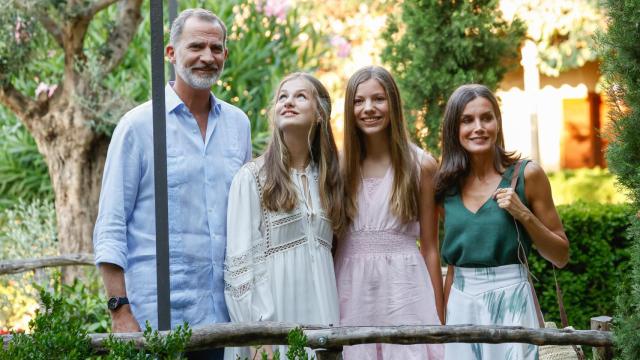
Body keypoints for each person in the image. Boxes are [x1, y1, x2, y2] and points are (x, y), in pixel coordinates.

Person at [93, 8, 251, 359]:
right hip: (156, 319)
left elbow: (248, 218)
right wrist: (120, 310)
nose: (207, 57)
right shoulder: (138, 126)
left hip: (225, 318)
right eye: (196, 47)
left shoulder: (239, 126)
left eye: (216, 48)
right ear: (171, 53)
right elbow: (111, 224)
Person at [436, 84, 570, 359]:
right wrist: (443, 322)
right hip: (461, 301)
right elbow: (453, 267)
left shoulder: (527, 175)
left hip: (513, 297)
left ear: (498, 122)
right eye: (467, 120)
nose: (479, 127)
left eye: (487, 117)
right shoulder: (445, 186)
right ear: (454, 128)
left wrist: (523, 214)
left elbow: (561, 255)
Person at [223, 72, 344, 359]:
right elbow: (240, 268)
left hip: (323, 316)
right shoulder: (251, 177)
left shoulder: (329, 180)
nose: (288, 102)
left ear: (320, 114)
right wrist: (258, 339)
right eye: (282, 97)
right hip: (273, 324)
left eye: (301, 96)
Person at [334, 65, 444, 359]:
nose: (368, 108)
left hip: (405, 289)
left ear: (393, 103)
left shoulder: (420, 165)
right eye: (359, 101)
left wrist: (438, 319)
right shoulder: (338, 167)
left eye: (378, 99)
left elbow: (431, 249)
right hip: (350, 290)